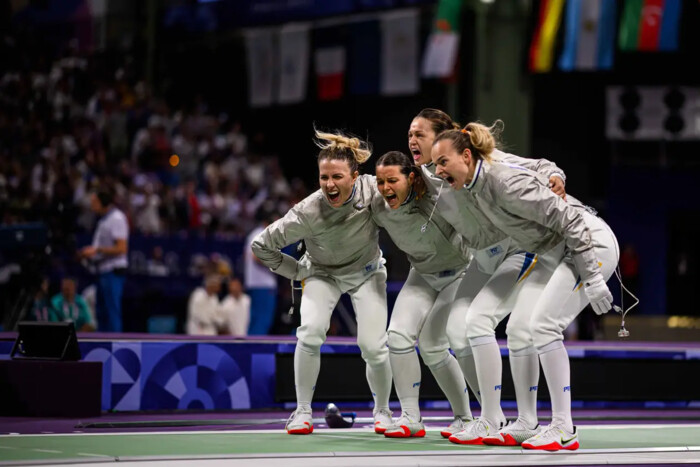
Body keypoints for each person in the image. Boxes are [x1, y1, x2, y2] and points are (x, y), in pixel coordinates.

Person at [432, 123, 619, 451]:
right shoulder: (478, 181)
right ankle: (527, 421)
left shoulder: (503, 182)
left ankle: (564, 427)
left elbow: (571, 221)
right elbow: (537, 166)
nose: (438, 170)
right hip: (552, 255)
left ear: (465, 155)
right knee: (519, 328)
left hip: (588, 245)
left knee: (544, 325)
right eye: (435, 164)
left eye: (442, 162)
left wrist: (591, 277)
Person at [408, 109, 569, 444]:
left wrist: (555, 176)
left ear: (442, 138)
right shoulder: (422, 178)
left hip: (515, 248)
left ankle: (496, 418)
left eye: (419, 134)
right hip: (482, 258)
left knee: (482, 322)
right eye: (410, 134)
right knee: (455, 329)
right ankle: (491, 414)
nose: (412, 140)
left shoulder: (475, 160)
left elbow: (534, 165)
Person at [252, 128, 393, 435]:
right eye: (324, 177)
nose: (329, 184)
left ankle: (383, 411)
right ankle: (302, 411)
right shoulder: (307, 211)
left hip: (367, 272)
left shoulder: (373, 189)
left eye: (337, 177)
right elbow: (260, 245)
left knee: (373, 346)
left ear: (354, 176)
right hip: (322, 273)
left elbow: (407, 190)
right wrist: (296, 270)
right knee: (311, 333)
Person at [371, 151, 473, 438]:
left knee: (432, 344)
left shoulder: (438, 194)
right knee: (397, 336)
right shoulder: (377, 204)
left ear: (411, 177)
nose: (385, 188)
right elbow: (347, 194)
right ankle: (410, 418)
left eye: (392, 180)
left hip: (461, 271)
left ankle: (466, 417)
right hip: (422, 274)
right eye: (380, 181)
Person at [79, 187, 129, 332]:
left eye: (94, 202)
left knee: (111, 312)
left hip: (113, 271)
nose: (92, 206)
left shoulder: (117, 218)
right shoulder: (103, 221)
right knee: (101, 312)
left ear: (102, 203)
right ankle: (102, 345)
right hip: (102, 270)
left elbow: (121, 248)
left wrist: (97, 250)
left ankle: (116, 346)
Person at [244, 210, 279, 335]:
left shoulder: (253, 234)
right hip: (263, 284)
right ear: (267, 223)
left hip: (255, 283)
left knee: (255, 320)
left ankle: (251, 351)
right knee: (262, 321)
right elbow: (256, 257)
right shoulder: (262, 234)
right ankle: (257, 352)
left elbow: (246, 257)